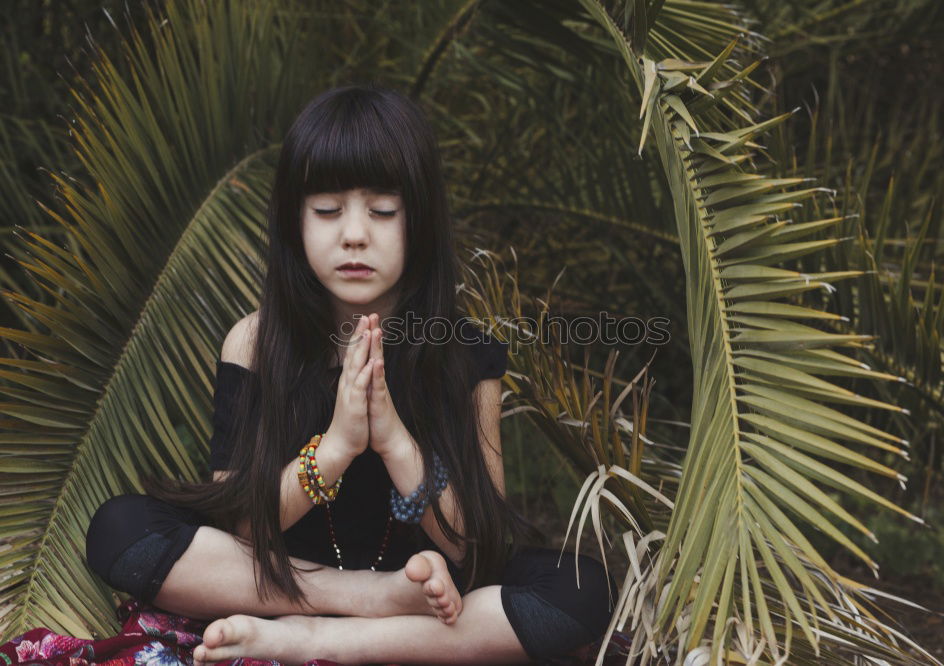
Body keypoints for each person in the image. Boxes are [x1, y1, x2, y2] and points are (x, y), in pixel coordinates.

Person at [84, 83, 617, 665]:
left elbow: (475, 547)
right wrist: (335, 448)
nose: (355, 234)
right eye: (328, 210)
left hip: (426, 582)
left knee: (583, 590)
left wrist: (393, 442)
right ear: (296, 224)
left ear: (420, 223)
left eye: (383, 211)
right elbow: (240, 527)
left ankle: (321, 640)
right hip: (288, 576)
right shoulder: (257, 342)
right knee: (120, 528)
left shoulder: (466, 354)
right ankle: (369, 605)